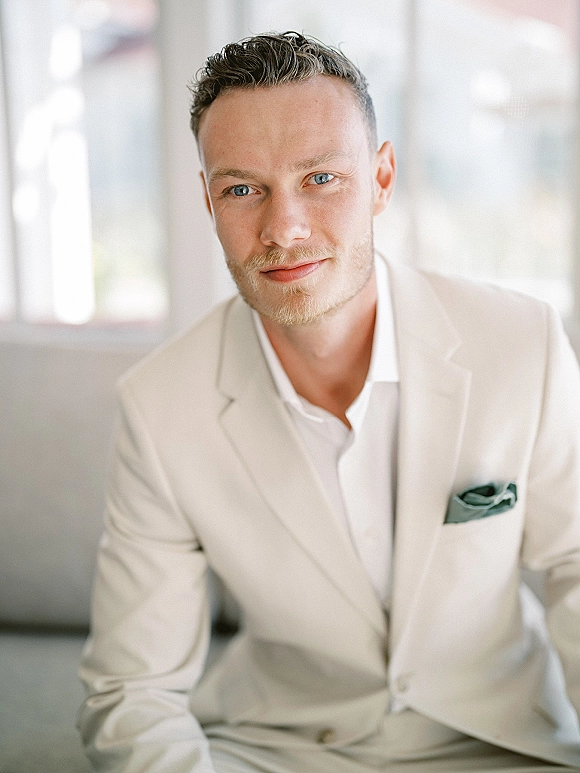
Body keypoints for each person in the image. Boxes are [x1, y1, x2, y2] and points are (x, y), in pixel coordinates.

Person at [78, 32, 580, 773]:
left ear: (381, 178)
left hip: (501, 742)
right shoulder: (159, 409)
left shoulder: (522, 341)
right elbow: (132, 691)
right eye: (242, 188)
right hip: (281, 751)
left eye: (320, 178)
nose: (284, 228)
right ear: (208, 200)